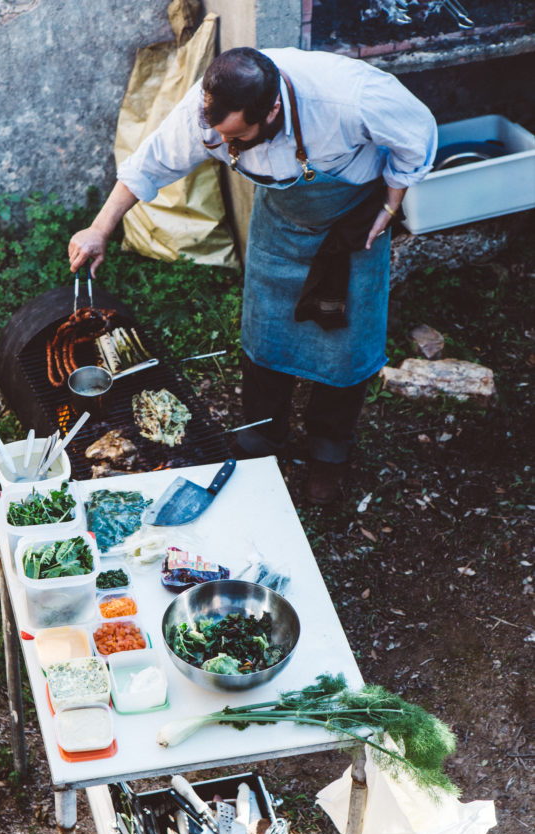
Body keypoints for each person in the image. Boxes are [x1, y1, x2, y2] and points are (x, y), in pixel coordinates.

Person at [68, 47, 437, 503]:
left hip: (351, 224)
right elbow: (152, 163)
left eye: (238, 137)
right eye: (221, 138)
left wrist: (391, 202)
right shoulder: (205, 112)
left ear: (273, 109)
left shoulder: (350, 97)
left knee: (347, 349)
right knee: (265, 338)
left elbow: (416, 132)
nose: (228, 146)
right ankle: (262, 439)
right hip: (280, 225)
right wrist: (100, 228)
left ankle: (329, 452)